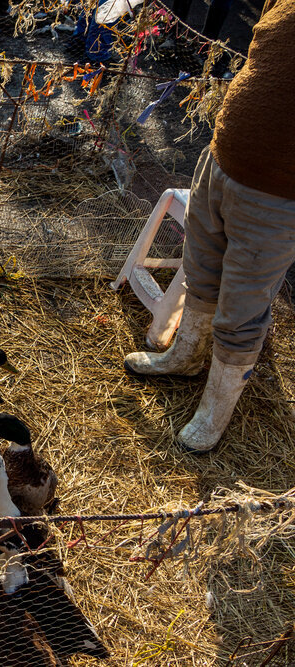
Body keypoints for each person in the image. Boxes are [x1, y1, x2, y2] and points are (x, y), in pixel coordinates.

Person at [124, 0, 295, 453]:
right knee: (200, 271)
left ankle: (213, 413)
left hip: (280, 198)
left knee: (240, 310)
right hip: (220, 160)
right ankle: (184, 357)